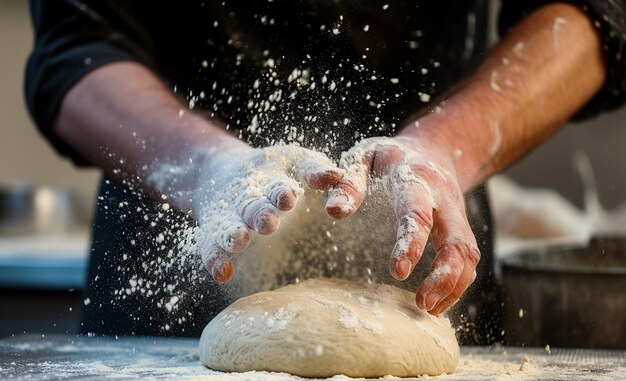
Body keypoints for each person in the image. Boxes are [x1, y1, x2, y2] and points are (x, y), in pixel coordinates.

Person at [25, 1, 626, 342]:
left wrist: (444, 147)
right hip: (166, 309)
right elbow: (76, 43)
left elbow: (594, 12)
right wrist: (205, 167)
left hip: (426, 290)